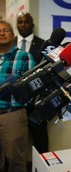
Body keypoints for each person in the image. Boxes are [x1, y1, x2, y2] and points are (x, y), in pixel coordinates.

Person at [0, 20, 35, 172]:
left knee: (16, 161)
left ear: (13, 35)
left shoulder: (25, 56)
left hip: (12, 114)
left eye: (5, 30)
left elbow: (32, 88)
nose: (1, 33)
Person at [15, 12, 49, 156]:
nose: (23, 25)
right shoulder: (8, 45)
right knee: (13, 142)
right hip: (14, 103)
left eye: (26, 22)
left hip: (36, 102)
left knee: (40, 142)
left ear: (32, 25)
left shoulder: (43, 45)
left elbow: (48, 71)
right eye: (20, 22)